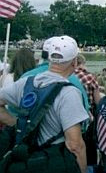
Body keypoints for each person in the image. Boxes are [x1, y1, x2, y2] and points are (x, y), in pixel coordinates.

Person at [0, 35, 89, 173]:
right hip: (53, 161)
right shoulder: (69, 93)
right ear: (74, 62)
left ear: (49, 59)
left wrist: (18, 124)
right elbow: (75, 145)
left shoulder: (27, 82)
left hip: (25, 159)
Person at [21, 37, 90, 114]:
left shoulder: (26, 78)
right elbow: (85, 111)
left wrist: (15, 123)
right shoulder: (73, 82)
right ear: (74, 61)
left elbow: (10, 106)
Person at [74, 54, 101, 169]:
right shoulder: (89, 77)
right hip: (88, 113)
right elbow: (98, 101)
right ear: (83, 63)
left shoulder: (69, 76)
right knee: (89, 145)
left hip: (73, 113)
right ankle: (89, 167)